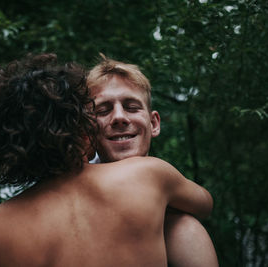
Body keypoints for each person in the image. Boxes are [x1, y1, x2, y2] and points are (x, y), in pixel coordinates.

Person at [0, 53, 213, 267]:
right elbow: (205, 203)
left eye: (130, 107)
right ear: (80, 129)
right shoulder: (147, 175)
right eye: (98, 112)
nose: (118, 118)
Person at [87, 55, 219, 267]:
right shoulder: (70, 190)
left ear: (154, 123)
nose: (119, 117)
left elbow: (206, 204)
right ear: (88, 128)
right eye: (103, 110)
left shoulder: (177, 224)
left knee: (185, 227)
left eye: (131, 107)